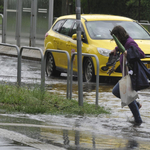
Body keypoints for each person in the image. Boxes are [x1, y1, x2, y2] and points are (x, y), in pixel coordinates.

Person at [110, 25, 145, 125]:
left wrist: (127, 53)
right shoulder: (124, 42)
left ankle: (138, 122)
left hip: (131, 75)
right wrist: (116, 49)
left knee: (128, 98)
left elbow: (141, 54)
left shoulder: (130, 42)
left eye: (115, 38)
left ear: (119, 35)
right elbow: (122, 46)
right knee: (117, 92)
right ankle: (137, 105)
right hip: (126, 75)